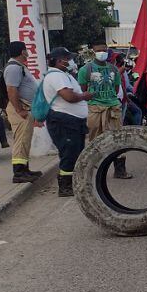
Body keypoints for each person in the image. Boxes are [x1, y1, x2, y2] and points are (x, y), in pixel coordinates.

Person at [42, 48, 93, 197]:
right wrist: (84, 96)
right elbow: (69, 97)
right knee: (69, 153)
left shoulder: (63, 74)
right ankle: (65, 186)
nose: (70, 61)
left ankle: (73, 183)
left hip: (71, 121)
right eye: (68, 58)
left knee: (74, 152)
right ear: (59, 60)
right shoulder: (56, 76)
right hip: (63, 121)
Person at [78, 42, 131, 179]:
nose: (102, 52)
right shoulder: (85, 69)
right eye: (98, 50)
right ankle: (91, 171)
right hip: (95, 109)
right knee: (95, 140)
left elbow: (116, 89)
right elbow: (83, 90)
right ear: (93, 52)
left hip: (113, 108)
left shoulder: (113, 70)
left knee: (118, 139)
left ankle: (120, 170)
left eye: (104, 50)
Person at [3, 42, 42, 183]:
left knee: (25, 140)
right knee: (21, 141)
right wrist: (19, 110)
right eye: (26, 49)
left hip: (24, 107)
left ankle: (25, 170)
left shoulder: (18, 66)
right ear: (22, 51)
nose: (27, 52)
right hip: (20, 109)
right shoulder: (13, 68)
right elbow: (11, 90)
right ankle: (18, 173)